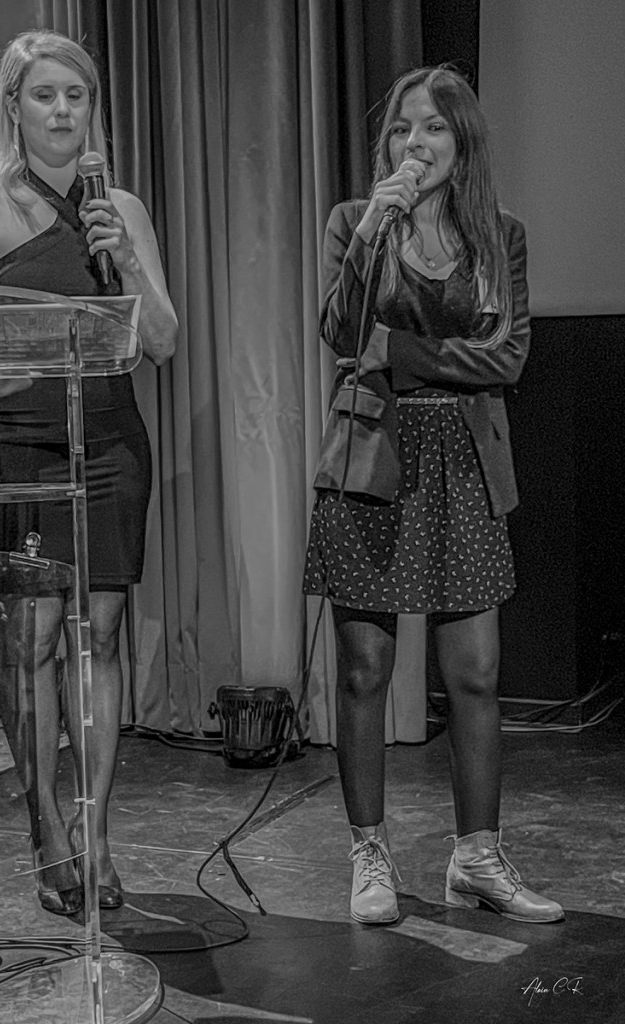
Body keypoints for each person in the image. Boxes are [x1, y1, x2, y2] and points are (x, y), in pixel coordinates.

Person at [303, 66, 563, 926]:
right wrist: (372, 234)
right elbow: (340, 334)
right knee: (364, 669)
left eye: (434, 129)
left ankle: (477, 858)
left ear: (463, 142)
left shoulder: (500, 235)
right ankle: (369, 853)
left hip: (463, 460)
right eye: (403, 129)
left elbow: (508, 358)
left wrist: (397, 352)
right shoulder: (356, 221)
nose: (415, 143)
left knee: (476, 673)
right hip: (371, 457)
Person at [0, 31, 178, 915]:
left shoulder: (123, 208)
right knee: (33, 640)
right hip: (22, 446)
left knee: (99, 637)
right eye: (45, 95)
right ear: (15, 107)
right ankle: (46, 830)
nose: (64, 111)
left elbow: (162, 341)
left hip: (109, 442)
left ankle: (98, 834)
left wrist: (129, 259)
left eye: (77, 95)